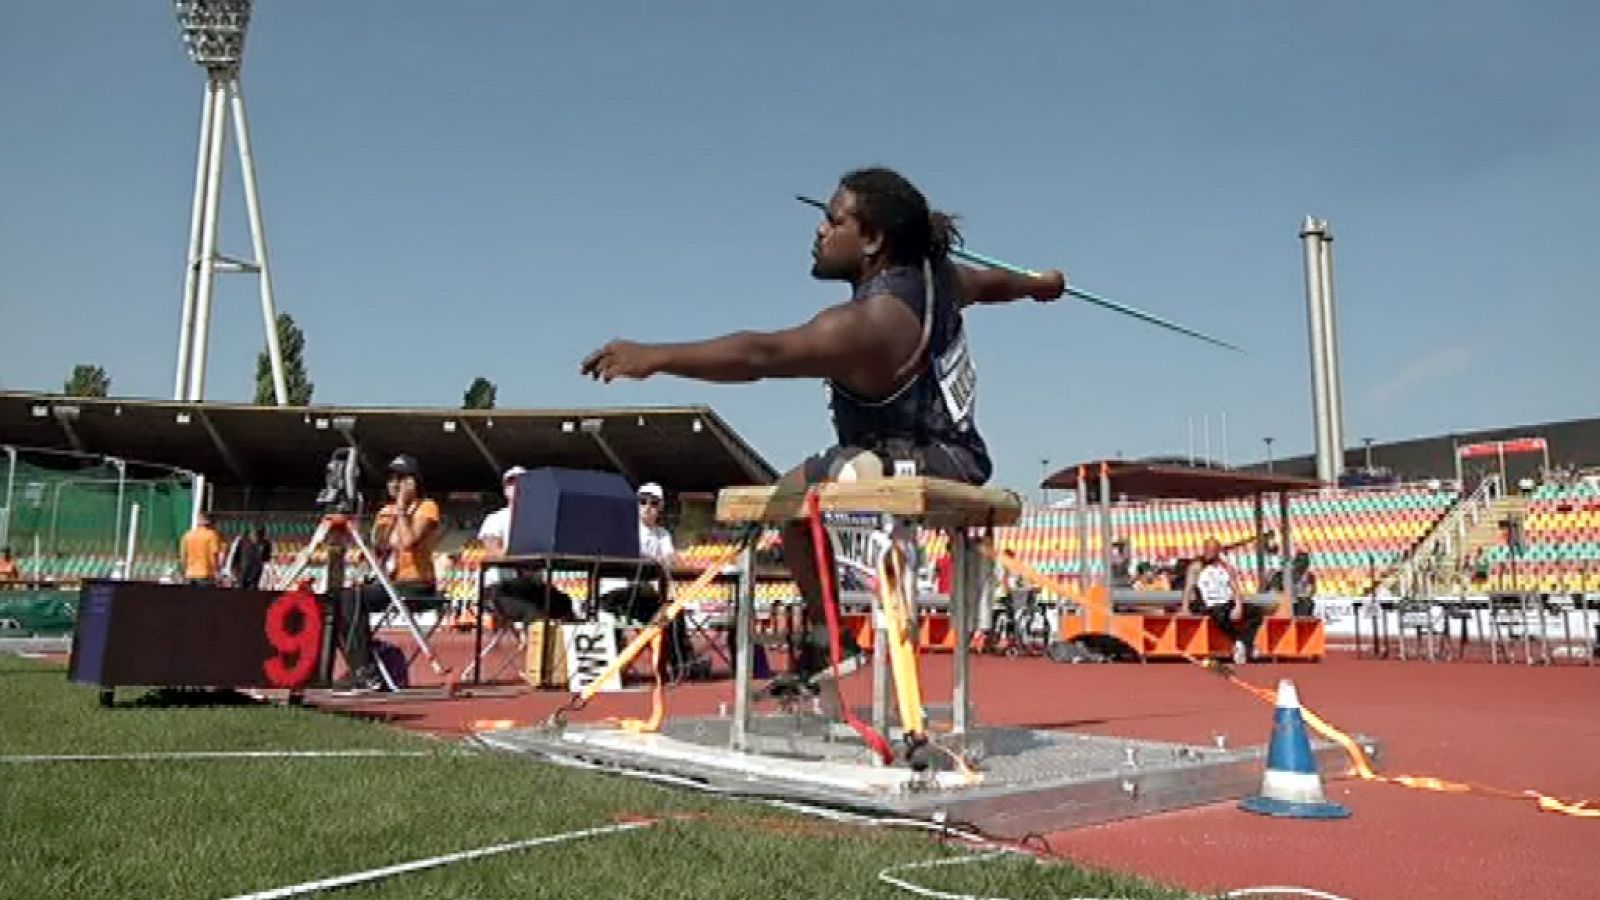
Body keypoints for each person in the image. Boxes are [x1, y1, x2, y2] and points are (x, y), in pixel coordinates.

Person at [581, 166, 1064, 682]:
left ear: (873, 238)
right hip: (962, 453)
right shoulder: (938, 278)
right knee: (799, 493)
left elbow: (761, 355)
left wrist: (656, 356)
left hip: (913, 459)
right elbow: (995, 284)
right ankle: (827, 637)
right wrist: (1039, 284)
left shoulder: (864, 324)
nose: (819, 231)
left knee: (820, 482)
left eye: (833, 221)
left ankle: (840, 643)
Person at [336, 455, 441, 691]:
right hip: (389, 582)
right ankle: (361, 667)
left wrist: (402, 510)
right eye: (391, 479)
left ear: (414, 482)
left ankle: (365, 670)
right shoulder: (385, 511)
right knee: (340, 599)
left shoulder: (427, 507)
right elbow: (378, 546)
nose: (394, 484)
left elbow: (408, 542)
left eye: (401, 478)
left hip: (416, 583)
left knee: (353, 599)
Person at [477, 465, 576, 623]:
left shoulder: (541, 520)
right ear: (505, 490)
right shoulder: (495, 519)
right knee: (533, 612)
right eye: (512, 483)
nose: (517, 487)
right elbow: (493, 552)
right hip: (502, 588)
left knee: (564, 604)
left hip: (532, 586)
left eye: (523, 483)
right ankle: (533, 644)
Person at [1184, 538, 1263, 664]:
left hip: (1227, 601)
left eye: (1213, 550)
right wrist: (1185, 608)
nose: (1210, 553)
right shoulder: (1196, 567)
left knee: (1256, 612)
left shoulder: (1225, 567)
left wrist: (1238, 606)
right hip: (1209, 604)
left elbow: (1235, 588)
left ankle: (1244, 643)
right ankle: (1242, 643)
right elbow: (1188, 588)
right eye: (1208, 550)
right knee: (1220, 615)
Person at [179, 513, 225, 586]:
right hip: (206, 574)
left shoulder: (187, 535)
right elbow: (214, 555)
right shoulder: (212, 535)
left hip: (190, 574)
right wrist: (217, 572)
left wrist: (184, 572)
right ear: (211, 523)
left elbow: (183, 556)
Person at [230, 526, 272, 590]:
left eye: (259, 536)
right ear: (250, 534)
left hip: (256, 572)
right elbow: (236, 556)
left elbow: (267, 558)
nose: (256, 538)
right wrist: (233, 568)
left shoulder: (265, 544)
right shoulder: (242, 542)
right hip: (243, 572)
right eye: (255, 535)